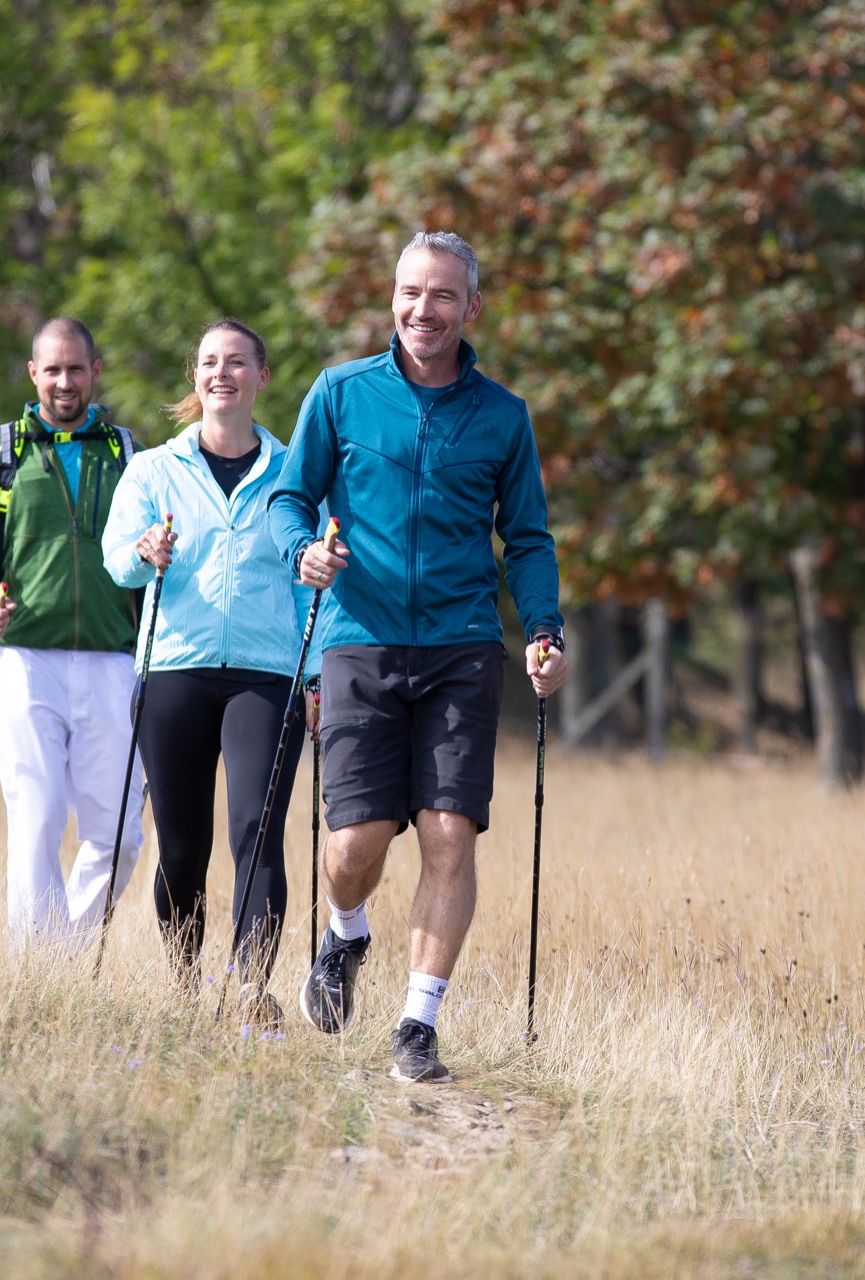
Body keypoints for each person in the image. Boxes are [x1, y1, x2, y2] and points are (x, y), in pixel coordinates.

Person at [268, 231, 570, 1083]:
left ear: (471, 308)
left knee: (448, 834)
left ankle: (416, 1025)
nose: (422, 310)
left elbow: (530, 538)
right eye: (409, 292)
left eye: (442, 296)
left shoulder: (503, 416)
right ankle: (344, 932)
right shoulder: (339, 394)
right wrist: (304, 553)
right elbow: (292, 496)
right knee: (355, 843)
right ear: (391, 297)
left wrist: (545, 630)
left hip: (462, 645)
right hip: (357, 639)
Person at [101, 319, 310, 1028]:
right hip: (175, 670)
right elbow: (116, 562)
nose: (221, 373)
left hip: (267, 673)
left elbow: (314, 577)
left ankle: (252, 989)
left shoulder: (295, 472)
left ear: (262, 377)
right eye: (209, 363)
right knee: (183, 846)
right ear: (196, 379)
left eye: (236, 362)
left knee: (257, 829)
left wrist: (315, 676)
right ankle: (187, 983)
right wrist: (144, 547)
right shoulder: (153, 470)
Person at [0, 317, 145, 948]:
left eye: (76, 368)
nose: (65, 381)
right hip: (24, 659)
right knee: (35, 821)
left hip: (114, 660)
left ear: (94, 371)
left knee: (119, 835)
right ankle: (37, 971)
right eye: (52, 369)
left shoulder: (130, 456)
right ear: (33, 374)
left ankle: (66, 953)